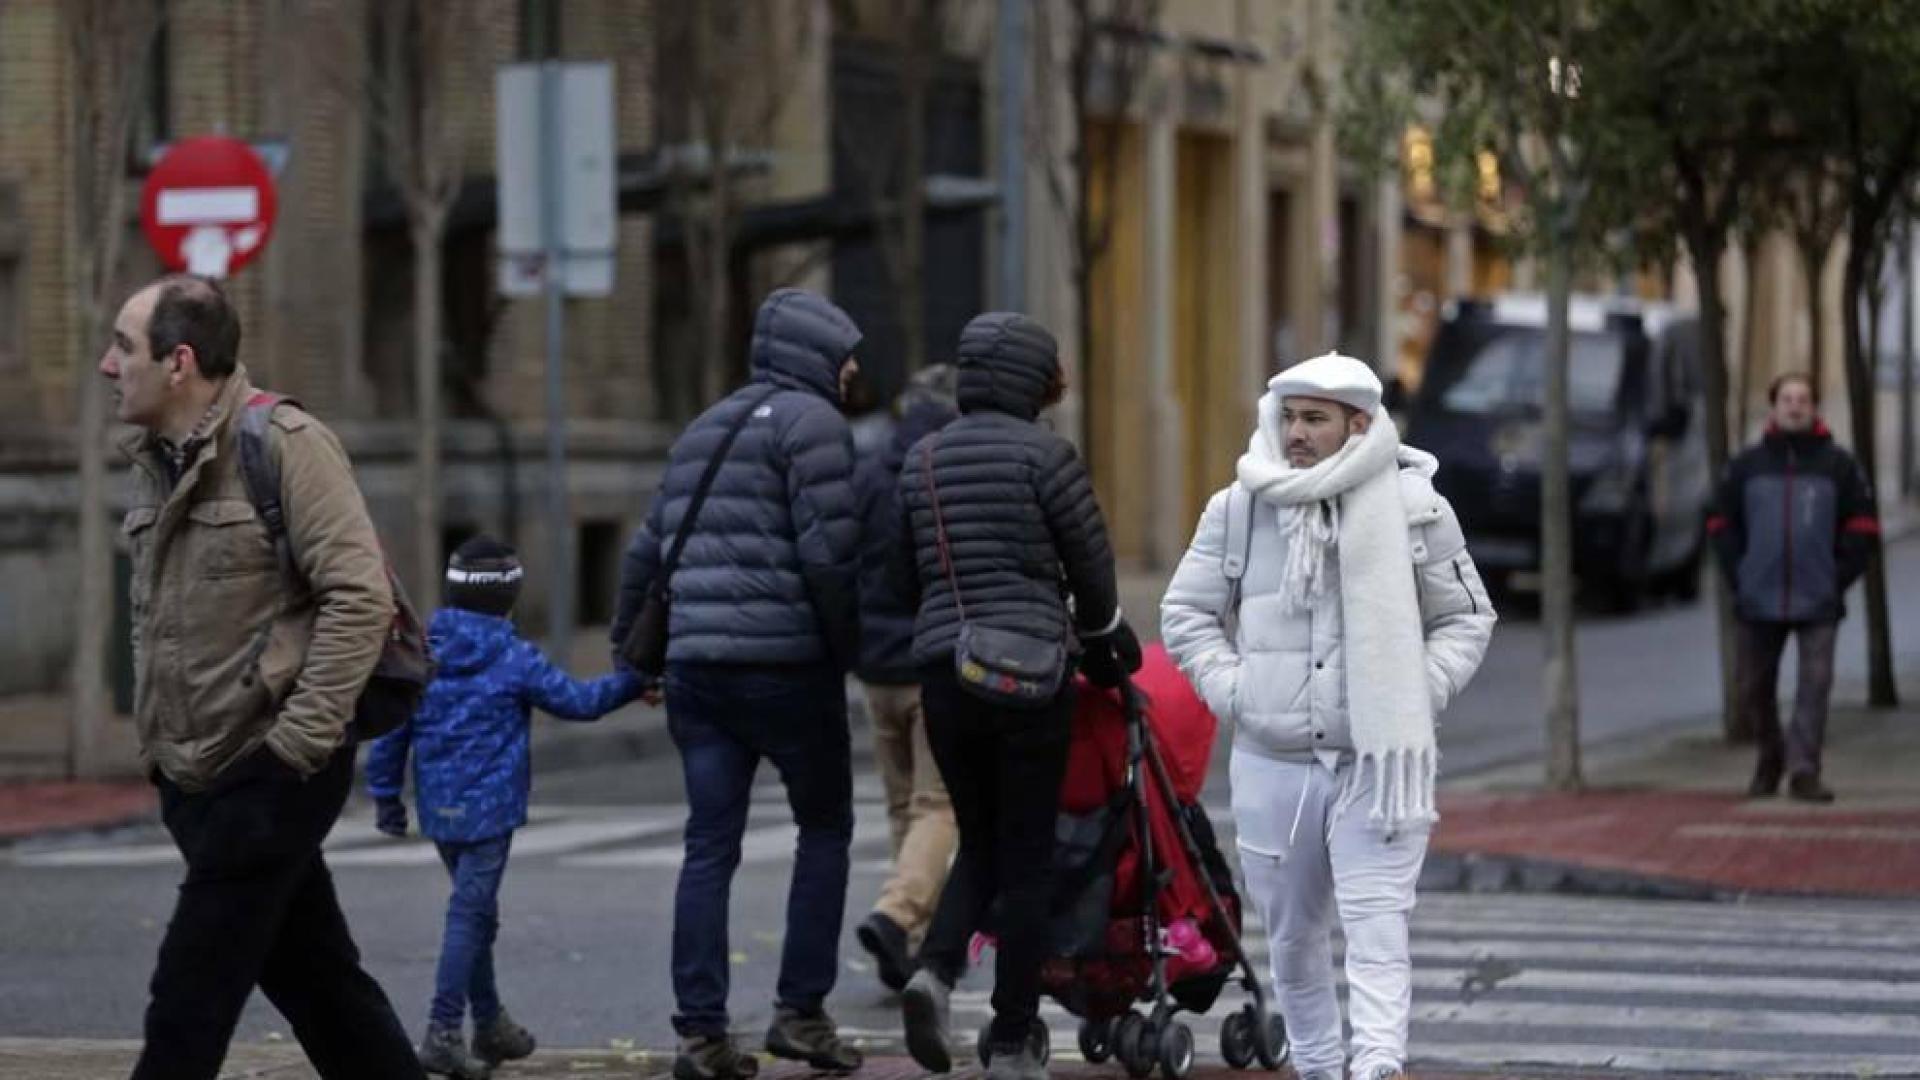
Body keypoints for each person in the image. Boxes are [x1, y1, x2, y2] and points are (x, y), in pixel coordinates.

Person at [102, 274, 423, 1080]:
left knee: (188, 998)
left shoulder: (283, 443)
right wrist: (163, 759)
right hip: (197, 775)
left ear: (179, 362)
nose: (108, 365)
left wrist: (297, 746)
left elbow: (360, 597)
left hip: (270, 768)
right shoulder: (155, 463)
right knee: (320, 985)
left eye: (122, 345)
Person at [1161, 352, 1495, 1080]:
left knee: (1378, 933)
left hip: (1380, 763)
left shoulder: (1418, 508)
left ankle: (1377, 1067)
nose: (1297, 432)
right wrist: (1238, 691)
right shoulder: (1242, 506)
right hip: (1272, 762)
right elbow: (1186, 614)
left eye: (1315, 418)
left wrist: (1415, 689)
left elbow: (1468, 619)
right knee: (1292, 941)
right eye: (1288, 415)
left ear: (1359, 424)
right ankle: (1316, 1068)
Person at [610, 288, 866, 1080]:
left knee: (708, 845)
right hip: (786, 668)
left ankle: (701, 1033)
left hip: (697, 672)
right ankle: (801, 1013)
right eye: (848, 360)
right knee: (823, 830)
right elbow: (829, 556)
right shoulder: (813, 424)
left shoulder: (702, 429)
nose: (855, 375)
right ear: (820, 357)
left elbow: (646, 552)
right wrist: (846, 648)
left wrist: (635, 656)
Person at [893, 313, 1139, 1080]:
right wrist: (1106, 639)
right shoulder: (1047, 458)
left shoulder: (922, 459)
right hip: (1030, 674)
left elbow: (909, 571)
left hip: (945, 673)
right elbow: (1091, 570)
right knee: (1027, 856)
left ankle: (933, 971)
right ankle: (1011, 1036)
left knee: (980, 839)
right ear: (1038, 381)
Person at [365, 537, 645, 1080]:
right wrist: (635, 682)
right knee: (469, 917)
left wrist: (385, 797)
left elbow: (393, 728)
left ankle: (490, 1022)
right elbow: (580, 703)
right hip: (491, 815)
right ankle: (443, 1030)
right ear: (510, 596)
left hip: (440, 810)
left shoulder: (425, 652)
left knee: (477, 915)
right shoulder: (514, 657)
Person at [1708, 372, 1878, 803]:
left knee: (1815, 685)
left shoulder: (1838, 466)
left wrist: (1837, 577)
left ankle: (1804, 770)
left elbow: (1863, 525)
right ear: (1774, 406)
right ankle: (1771, 755)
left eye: (1803, 398)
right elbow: (1719, 523)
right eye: (1787, 398)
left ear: (1814, 407)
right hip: (1757, 597)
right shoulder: (1747, 466)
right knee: (1752, 686)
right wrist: (1740, 574)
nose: (1795, 406)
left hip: (1818, 598)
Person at [851, 378, 960, 992]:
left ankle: (912, 937)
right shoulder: (942, 475)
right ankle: (898, 917)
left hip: (876, 668)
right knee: (938, 805)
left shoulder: (869, 470)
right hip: (928, 664)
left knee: (903, 807)